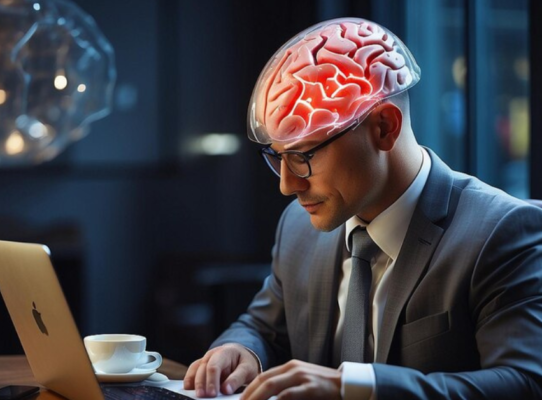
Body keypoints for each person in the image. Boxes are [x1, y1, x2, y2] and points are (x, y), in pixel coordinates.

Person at [183, 17, 542, 399]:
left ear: (384, 127)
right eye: (278, 156)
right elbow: (264, 326)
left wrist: (356, 388)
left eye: (304, 155)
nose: (287, 185)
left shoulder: (501, 231)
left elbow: (526, 383)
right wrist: (243, 350)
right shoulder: (298, 228)